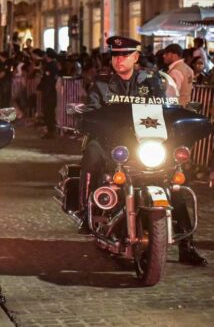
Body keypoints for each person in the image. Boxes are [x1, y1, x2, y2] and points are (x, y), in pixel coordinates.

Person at [81, 36, 206, 265]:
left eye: (125, 55)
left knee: (174, 182)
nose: (119, 60)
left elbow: (167, 108)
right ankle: (85, 210)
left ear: (135, 57)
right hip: (113, 142)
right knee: (92, 152)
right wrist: (87, 117)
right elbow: (90, 111)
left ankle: (187, 246)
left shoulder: (152, 80)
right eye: (115, 55)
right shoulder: (102, 83)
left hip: (144, 143)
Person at [38, 48, 60, 138]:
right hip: (48, 91)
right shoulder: (50, 65)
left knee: (49, 111)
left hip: (49, 91)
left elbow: (49, 79)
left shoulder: (52, 65)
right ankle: (49, 130)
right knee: (47, 111)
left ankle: (50, 131)